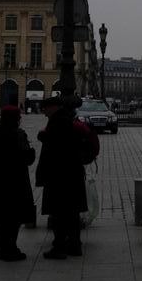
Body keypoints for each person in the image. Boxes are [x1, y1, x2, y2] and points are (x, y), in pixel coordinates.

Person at [35, 96, 87, 259]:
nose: (44, 113)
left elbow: (57, 145)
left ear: (53, 107)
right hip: (71, 174)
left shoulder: (58, 121)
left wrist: (43, 136)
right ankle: (74, 245)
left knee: (59, 212)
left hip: (60, 176)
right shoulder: (66, 119)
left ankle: (59, 247)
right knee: (71, 212)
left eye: (45, 109)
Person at [0, 105, 35, 261]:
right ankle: (11, 248)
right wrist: (32, 152)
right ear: (16, 119)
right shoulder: (19, 134)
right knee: (14, 216)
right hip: (17, 181)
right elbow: (28, 158)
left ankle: (0, 249)